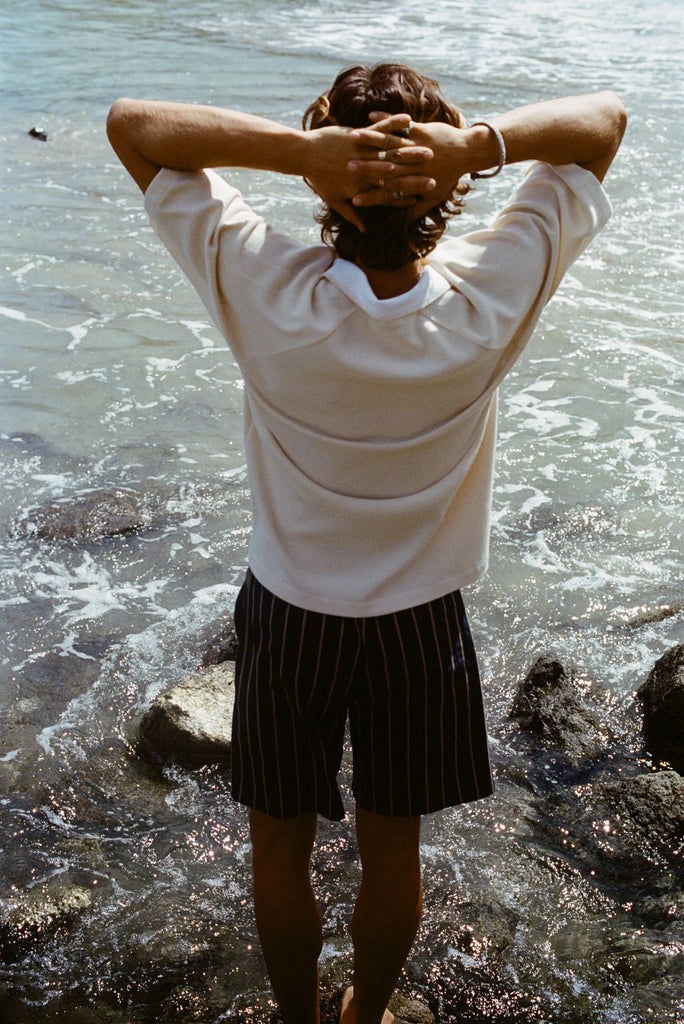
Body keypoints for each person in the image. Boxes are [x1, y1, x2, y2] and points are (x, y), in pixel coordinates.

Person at [107, 63, 626, 1024]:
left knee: (279, 851)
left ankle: (302, 1018)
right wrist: (477, 149)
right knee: (396, 854)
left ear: (327, 185)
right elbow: (601, 123)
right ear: (448, 189)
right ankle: (367, 1014)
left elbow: (136, 124)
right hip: (420, 626)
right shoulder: (486, 300)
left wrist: (302, 153)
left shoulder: (265, 290)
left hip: (291, 614)